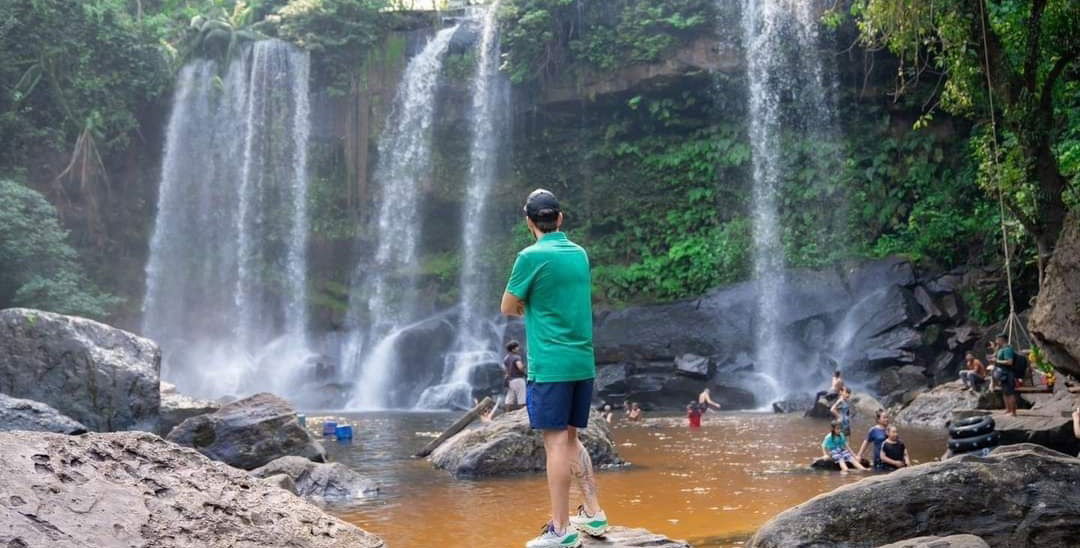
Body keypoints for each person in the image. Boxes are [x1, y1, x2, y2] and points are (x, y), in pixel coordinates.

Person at [501, 189, 608, 547]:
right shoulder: (579, 254)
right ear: (560, 219)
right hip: (582, 360)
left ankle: (561, 531)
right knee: (573, 436)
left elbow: (507, 306)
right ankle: (594, 513)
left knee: (555, 444)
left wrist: (529, 306)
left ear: (529, 221)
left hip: (551, 364)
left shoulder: (529, 257)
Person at [484, 340, 528, 421]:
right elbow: (520, 367)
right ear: (513, 349)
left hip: (510, 380)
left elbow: (505, 370)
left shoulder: (506, 358)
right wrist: (524, 369)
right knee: (521, 397)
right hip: (518, 379)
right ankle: (523, 417)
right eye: (517, 347)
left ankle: (507, 415)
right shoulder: (516, 357)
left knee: (509, 398)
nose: (518, 348)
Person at [991, 334, 1019, 416]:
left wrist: (997, 361)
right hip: (1002, 374)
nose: (996, 341)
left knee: (1010, 393)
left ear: (1001, 339)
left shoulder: (1007, 349)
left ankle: (1013, 412)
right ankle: (1008, 409)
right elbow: (995, 356)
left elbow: (1010, 362)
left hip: (1008, 374)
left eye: (997, 339)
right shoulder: (1001, 349)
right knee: (1005, 392)